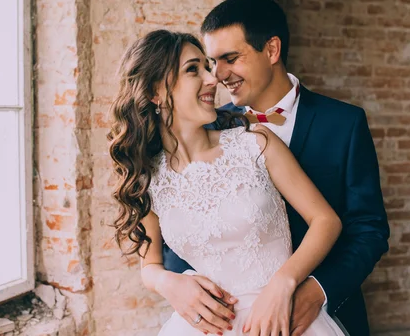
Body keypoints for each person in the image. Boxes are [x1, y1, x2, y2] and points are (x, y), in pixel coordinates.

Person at [159, 0, 390, 336]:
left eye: (230, 58)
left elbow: (369, 230)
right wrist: (182, 285)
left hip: (322, 313)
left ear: (271, 50)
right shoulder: (206, 127)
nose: (218, 75)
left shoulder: (344, 124)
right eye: (211, 62)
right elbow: (178, 222)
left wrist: (315, 292)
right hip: (230, 321)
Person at [108, 30, 346, 335]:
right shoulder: (146, 178)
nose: (212, 79)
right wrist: (170, 283)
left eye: (206, 67)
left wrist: (283, 285)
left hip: (281, 318)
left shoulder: (256, 144)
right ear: (155, 92)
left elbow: (326, 220)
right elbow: (150, 267)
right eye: (193, 69)